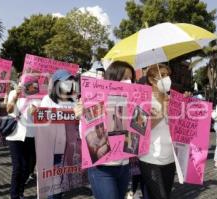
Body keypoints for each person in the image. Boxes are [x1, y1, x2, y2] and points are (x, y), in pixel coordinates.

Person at [74, 61, 136, 199]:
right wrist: (82, 115)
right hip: (102, 168)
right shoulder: (96, 99)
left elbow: (135, 136)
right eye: (125, 77)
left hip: (124, 166)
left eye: (131, 78)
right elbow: (87, 137)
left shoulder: (133, 102)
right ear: (114, 78)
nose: (129, 81)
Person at [138, 64, 176, 199]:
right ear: (151, 79)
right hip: (151, 159)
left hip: (171, 159)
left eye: (168, 75)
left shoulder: (174, 99)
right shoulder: (143, 100)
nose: (167, 78)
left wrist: (185, 101)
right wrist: (162, 111)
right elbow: (141, 128)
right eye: (163, 75)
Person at [39, 69, 79, 199]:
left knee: (61, 180)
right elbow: (45, 121)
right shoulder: (47, 100)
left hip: (69, 146)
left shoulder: (73, 101)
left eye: (70, 81)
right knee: (54, 182)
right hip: (53, 147)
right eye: (65, 81)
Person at [6, 74, 40, 199]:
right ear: (19, 82)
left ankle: (20, 192)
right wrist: (15, 96)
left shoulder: (38, 96)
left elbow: (41, 116)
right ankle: (14, 195)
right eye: (23, 80)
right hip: (15, 134)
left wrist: (37, 112)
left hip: (31, 134)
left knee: (28, 167)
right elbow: (9, 110)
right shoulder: (13, 93)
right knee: (18, 166)